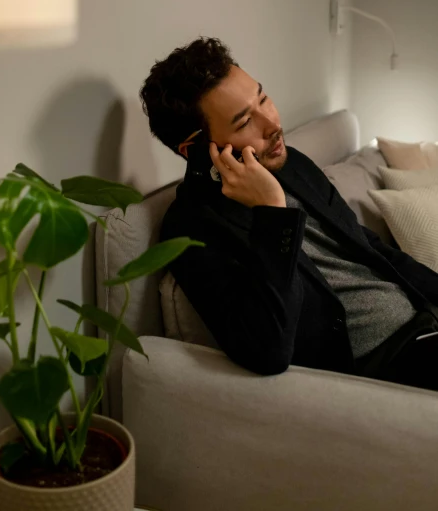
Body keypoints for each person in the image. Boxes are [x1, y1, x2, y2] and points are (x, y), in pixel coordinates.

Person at [139, 37, 438, 390]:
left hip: (424, 323)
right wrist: (271, 213)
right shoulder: (192, 227)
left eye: (263, 97)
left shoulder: (291, 162)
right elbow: (268, 348)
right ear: (197, 151)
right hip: (387, 364)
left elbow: (367, 245)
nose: (272, 124)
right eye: (244, 121)